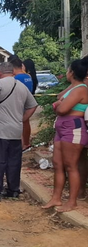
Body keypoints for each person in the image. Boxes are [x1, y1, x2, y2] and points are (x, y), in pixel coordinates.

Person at [0, 62, 38, 202]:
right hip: (16, 131)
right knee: (14, 162)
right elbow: (33, 105)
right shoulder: (22, 87)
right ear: (13, 72)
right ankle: (13, 190)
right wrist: (22, 120)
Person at [42, 60, 88, 213]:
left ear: (72, 72)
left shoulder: (81, 89)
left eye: (69, 70)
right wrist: (59, 102)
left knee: (70, 165)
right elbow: (60, 98)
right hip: (63, 127)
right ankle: (56, 197)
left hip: (73, 128)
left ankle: (72, 201)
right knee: (58, 164)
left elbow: (61, 109)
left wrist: (58, 104)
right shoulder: (75, 87)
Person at [22, 59, 38, 150]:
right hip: (29, 102)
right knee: (26, 122)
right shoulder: (32, 77)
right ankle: (26, 142)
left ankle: (25, 143)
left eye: (23, 65)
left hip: (26, 102)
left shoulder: (26, 76)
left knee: (24, 122)